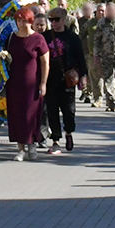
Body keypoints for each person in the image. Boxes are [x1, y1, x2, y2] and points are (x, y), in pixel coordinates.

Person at [5, 5, 50, 161]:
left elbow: (45, 63)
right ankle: (20, 149)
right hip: (14, 83)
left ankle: (32, 144)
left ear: (31, 21)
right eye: (18, 21)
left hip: (32, 84)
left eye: (24, 21)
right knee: (16, 115)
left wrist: (43, 83)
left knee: (31, 115)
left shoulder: (38, 38)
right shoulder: (12, 37)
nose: (21, 24)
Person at [45, 8, 86, 153]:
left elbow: (81, 58)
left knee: (68, 110)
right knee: (52, 110)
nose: (53, 23)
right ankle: (55, 140)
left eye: (56, 20)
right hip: (50, 79)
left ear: (64, 20)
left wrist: (83, 76)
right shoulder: (45, 37)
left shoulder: (72, 37)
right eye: (51, 20)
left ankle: (69, 132)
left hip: (67, 79)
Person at [95, 1, 115, 113]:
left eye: (111, 10)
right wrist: (96, 55)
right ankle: (110, 102)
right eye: (107, 10)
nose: (109, 13)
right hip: (106, 55)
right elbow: (97, 40)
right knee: (107, 79)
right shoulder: (101, 23)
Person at [78, 2, 103, 108]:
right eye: (99, 10)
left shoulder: (114, 22)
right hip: (93, 54)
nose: (101, 12)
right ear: (96, 11)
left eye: (103, 10)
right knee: (95, 77)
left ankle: (113, 99)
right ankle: (98, 98)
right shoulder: (90, 23)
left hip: (110, 55)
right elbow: (81, 36)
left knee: (111, 78)